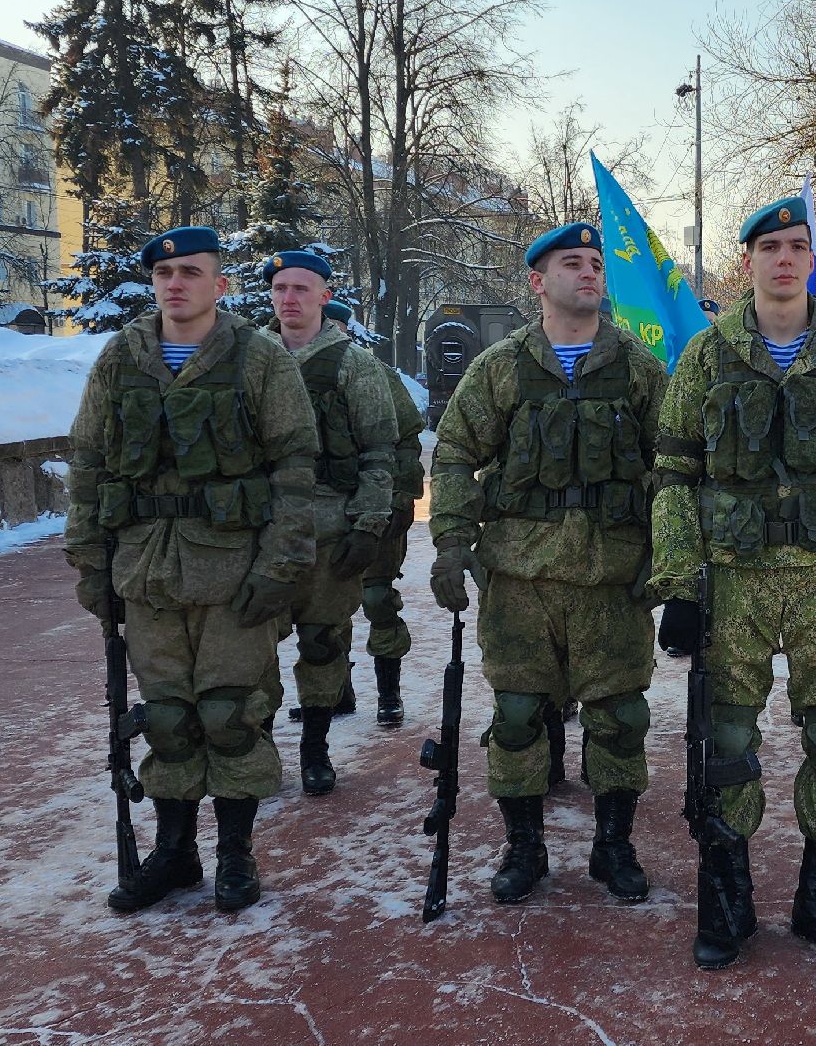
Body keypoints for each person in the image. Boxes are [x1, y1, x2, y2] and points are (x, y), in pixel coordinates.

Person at [651, 196, 816, 969]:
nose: (784, 258)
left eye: (797, 246)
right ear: (747, 263)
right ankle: (729, 900)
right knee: (726, 740)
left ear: (811, 259)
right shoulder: (707, 354)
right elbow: (674, 470)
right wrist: (680, 585)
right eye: (769, 246)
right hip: (732, 579)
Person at [64, 226, 318, 914]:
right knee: (169, 719)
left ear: (219, 285)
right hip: (146, 570)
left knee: (230, 714)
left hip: (234, 571)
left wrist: (281, 564)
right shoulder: (121, 359)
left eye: (191, 272)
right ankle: (174, 854)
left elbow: (296, 468)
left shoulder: (259, 358)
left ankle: (236, 854)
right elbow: (87, 464)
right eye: (165, 272)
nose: (175, 283)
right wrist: (91, 563)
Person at [428, 222, 668, 906]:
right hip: (521, 578)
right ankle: (524, 846)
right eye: (572, 263)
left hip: (612, 576)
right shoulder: (500, 366)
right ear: (538, 282)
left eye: (595, 263)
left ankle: (613, 846)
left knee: (619, 718)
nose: (589, 272)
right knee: (517, 715)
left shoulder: (638, 369)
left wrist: (669, 557)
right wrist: (451, 542)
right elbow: (453, 455)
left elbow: (677, 468)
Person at [259, 254, 400, 795]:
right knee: (251, 647)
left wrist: (368, 527)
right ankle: (260, 747)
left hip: (330, 528)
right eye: (280, 288)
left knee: (322, 644)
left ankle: (314, 750)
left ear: (324, 295)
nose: (289, 298)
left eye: (301, 288)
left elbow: (377, 451)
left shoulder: (353, 365)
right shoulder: (247, 358)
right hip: (262, 531)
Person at [331, 299, 427, 729]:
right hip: (322, 512)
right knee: (326, 611)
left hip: (379, 508)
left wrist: (403, 497)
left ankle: (389, 692)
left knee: (377, 600)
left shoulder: (379, 377)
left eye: (336, 326)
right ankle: (335, 691)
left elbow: (408, 439)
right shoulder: (283, 373)